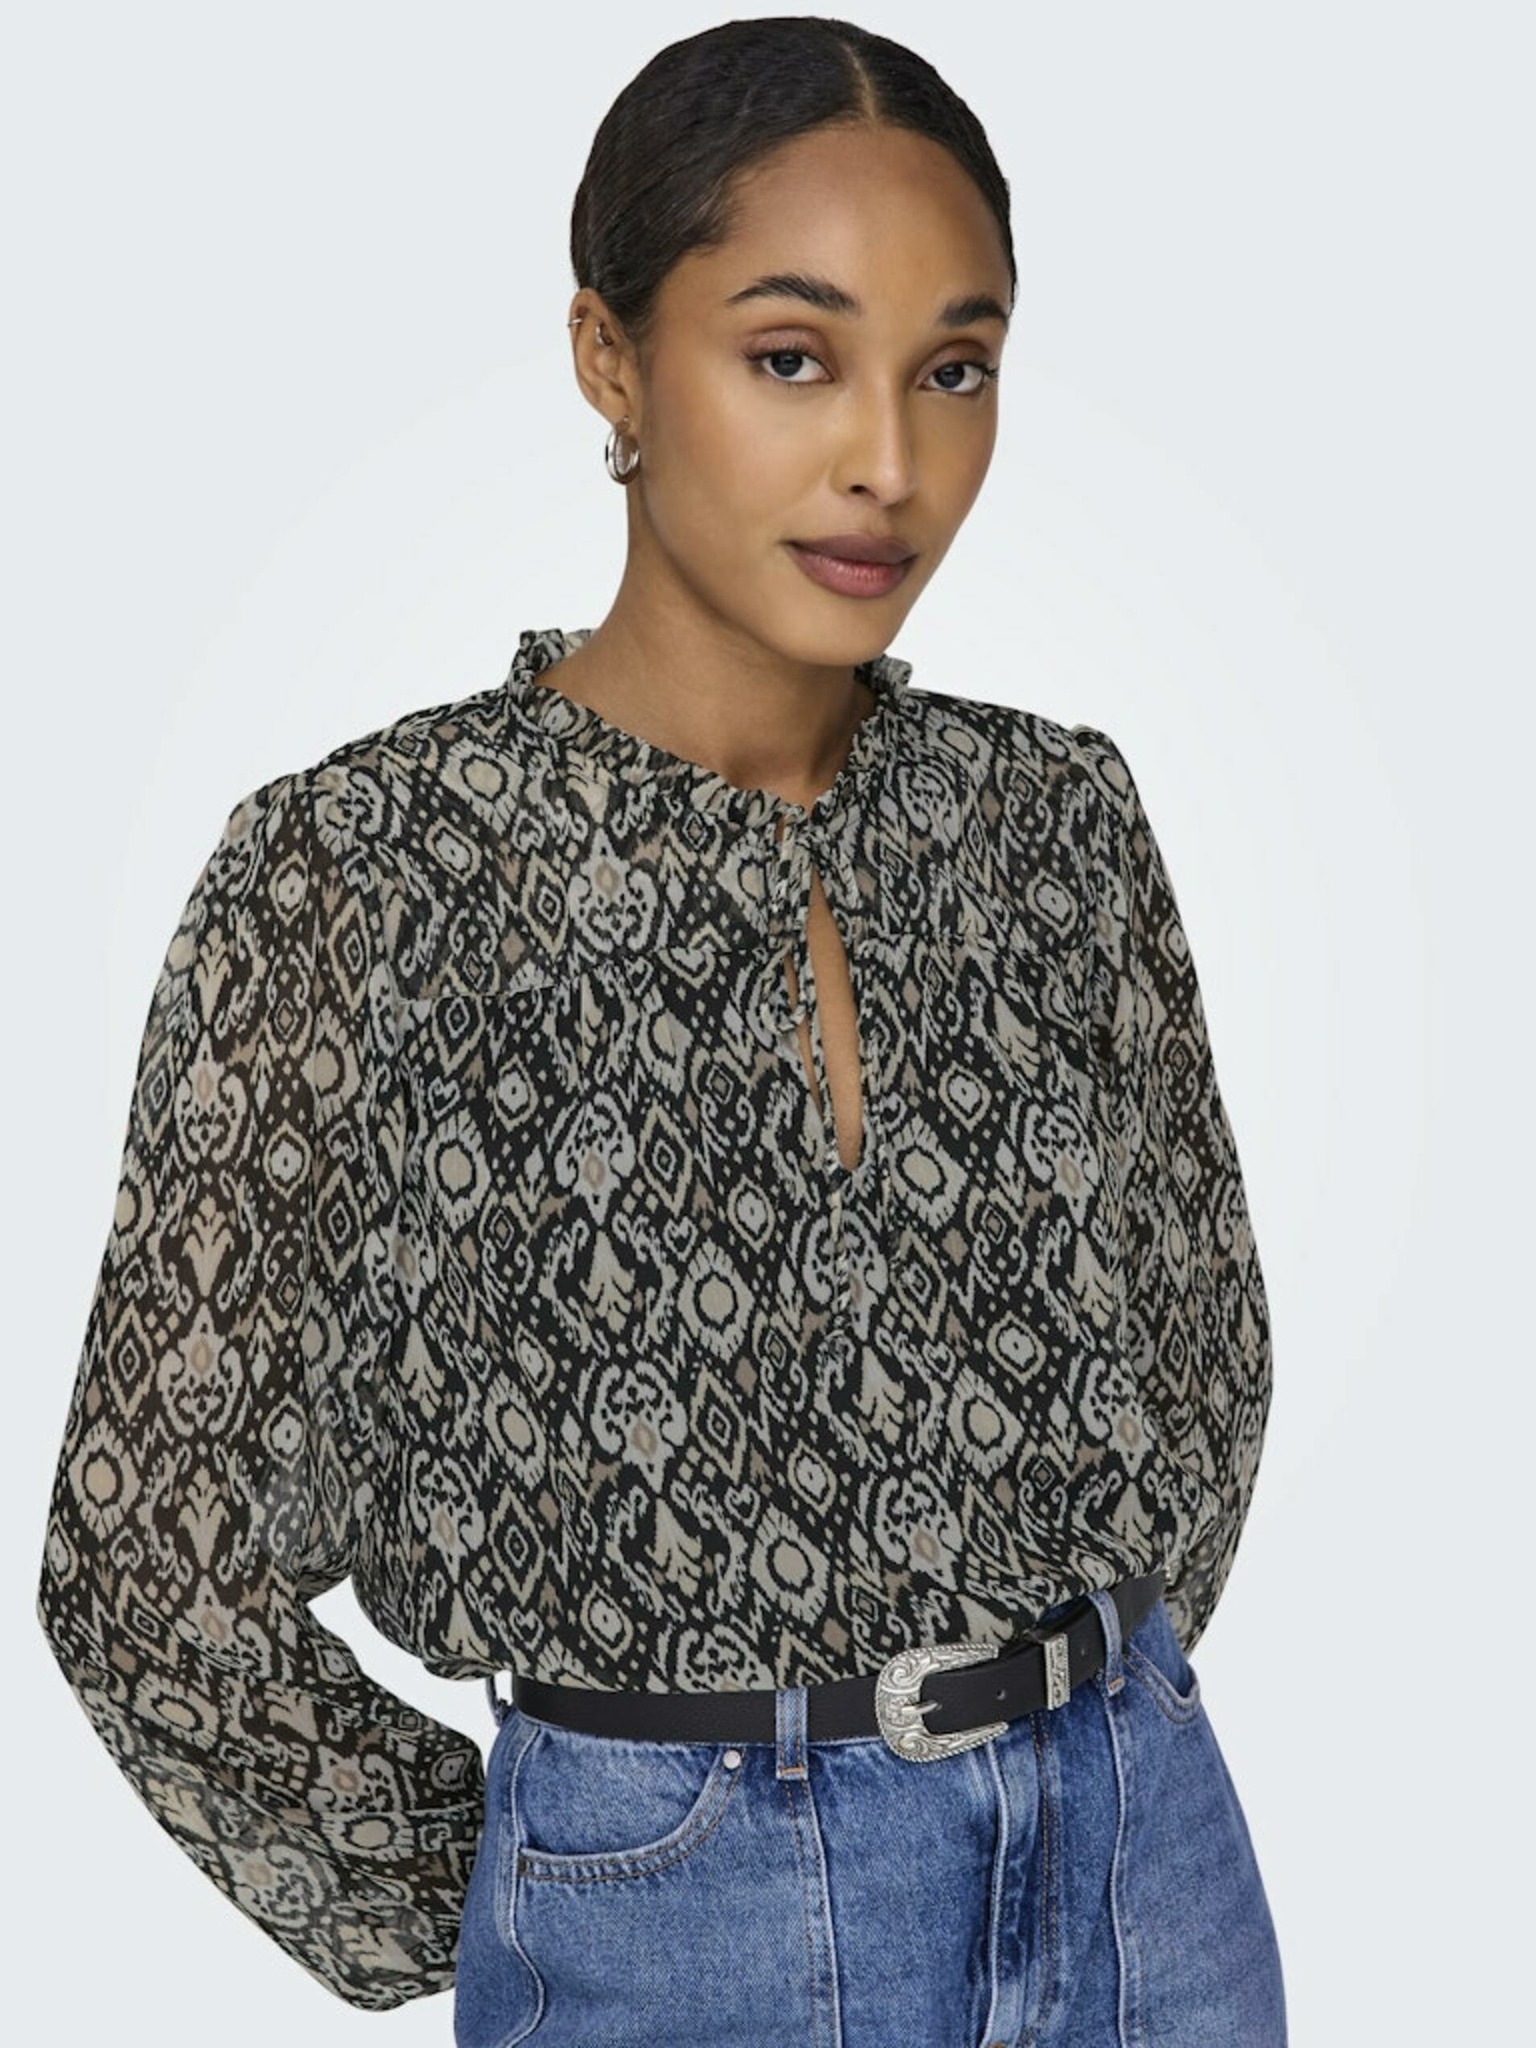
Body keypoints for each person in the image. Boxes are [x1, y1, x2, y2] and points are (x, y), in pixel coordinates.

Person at [35, 15, 1287, 2044]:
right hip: (691, 1920)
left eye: (953, 368)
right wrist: (540, 1882)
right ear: (610, 361)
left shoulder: (1054, 815)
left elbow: (1206, 1357)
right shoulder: (369, 870)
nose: (890, 462)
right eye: (792, 357)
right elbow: (145, 1568)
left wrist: (1087, 1708)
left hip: (1152, 1880)